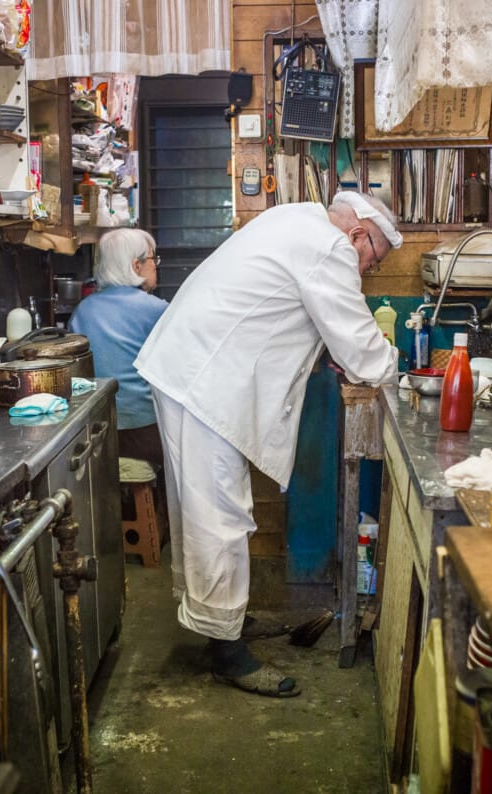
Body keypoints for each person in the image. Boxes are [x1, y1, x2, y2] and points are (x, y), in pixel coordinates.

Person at [134, 192, 401, 698]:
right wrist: (394, 369)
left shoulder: (297, 218)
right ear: (359, 235)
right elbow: (360, 346)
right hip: (202, 377)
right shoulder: (330, 248)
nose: (368, 270)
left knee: (204, 510)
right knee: (220, 516)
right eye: (374, 260)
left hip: (192, 367)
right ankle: (227, 654)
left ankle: (222, 620)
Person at [69, 228, 168, 470]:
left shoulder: (83, 309)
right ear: (136, 266)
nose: (156, 266)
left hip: (93, 433)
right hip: (144, 434)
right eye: (153, 259)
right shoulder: (157, 310)